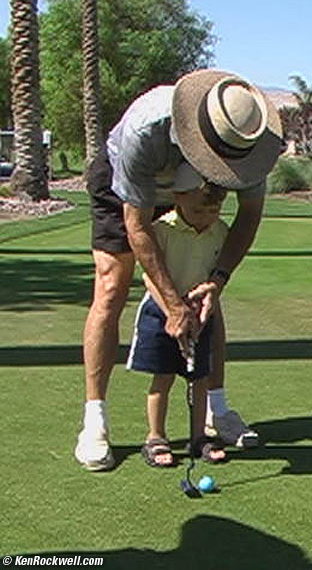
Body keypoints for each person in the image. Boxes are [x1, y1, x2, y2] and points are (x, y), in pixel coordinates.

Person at [75, 70, 283, 470]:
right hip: (127, 184)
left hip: (196, 195)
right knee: (112, 283)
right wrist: (171, 306)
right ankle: (94, 420)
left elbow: (249, 216)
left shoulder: (254, 144)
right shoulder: (146, 128)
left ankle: (216, 412)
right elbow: (137, 226)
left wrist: (216, 280)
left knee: (201, 287)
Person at [129, 163, 230, 467]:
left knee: (199, 378)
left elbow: (217, 274)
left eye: (213, 212)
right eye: (199, 212)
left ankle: (198, 438)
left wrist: (200, 308)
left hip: (200, 313)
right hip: (160, 311)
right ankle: (156, 437)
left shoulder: (220, 232)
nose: (206, 219)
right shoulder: (163, 229)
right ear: (178, 197)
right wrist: (173, 311)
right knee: (163, 378)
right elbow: (149, 276)